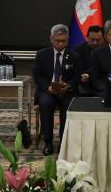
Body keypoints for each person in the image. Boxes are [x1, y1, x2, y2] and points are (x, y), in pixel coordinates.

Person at [33, 24, 80, 155]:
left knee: (68, 107)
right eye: (57, 41)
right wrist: (47, 87)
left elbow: (77, 76)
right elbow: (37, 75)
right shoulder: (42, 54)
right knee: (46, 104)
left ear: (68, 40)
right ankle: (48, 142)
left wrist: (68, 85)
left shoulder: (74, 55)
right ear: (51, 39)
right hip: (47, 91)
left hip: (66, 92)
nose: (60, 44)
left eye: (63, 41)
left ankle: (63, 142)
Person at [73, 25, 104, 97]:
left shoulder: (107, 51)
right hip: (82, 86)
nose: (95, 43)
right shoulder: (77, 51)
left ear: (103, 39)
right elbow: (74, 71)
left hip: (101, 86)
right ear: (87, 37)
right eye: (92, 39)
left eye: (98, 40)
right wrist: (81, 77)